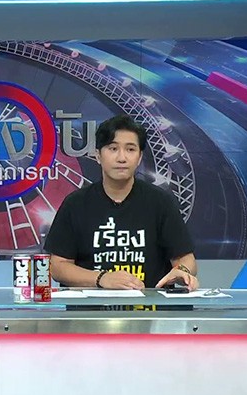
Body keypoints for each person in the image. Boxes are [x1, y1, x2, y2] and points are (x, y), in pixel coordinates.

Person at [43, 114, 198, 291]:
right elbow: (58, 266)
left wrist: (182, 271)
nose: (121, 158)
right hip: (91, 307)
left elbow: (186, 259)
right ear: (98, 155)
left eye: (130, 149)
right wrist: (101, 278)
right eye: (113, 148)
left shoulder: (160, 202)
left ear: (139, 157)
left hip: (149, 305)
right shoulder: (75, 204)